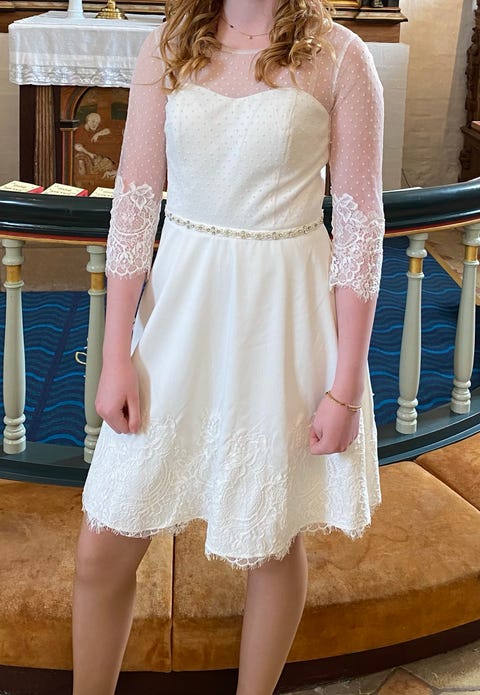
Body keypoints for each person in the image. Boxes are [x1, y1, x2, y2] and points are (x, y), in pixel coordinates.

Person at [73, 1, 385, 693]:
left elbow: (361, 230)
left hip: (282, 319)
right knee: (104, 543)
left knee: (271, 538)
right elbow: (134, 205)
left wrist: (346, 385)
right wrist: (117, 353)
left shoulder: (341, 57)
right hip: (180, 314)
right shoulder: (168, 46)